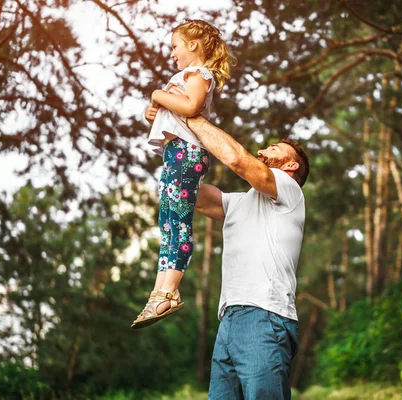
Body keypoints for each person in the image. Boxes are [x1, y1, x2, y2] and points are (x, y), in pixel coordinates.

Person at [166, 109, 310, 399]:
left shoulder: (288, 189)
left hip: (264, 316)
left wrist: (190, 115)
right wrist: (170, 134)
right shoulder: (238, 203)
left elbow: (236, 158)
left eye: (273, 149)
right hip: (229, 320)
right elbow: (182, 189)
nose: (262, 150)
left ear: (291, 165)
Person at [131, 19, 235, 329]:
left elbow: (191, 106)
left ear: (192, 45)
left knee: (177, 219)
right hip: (175, 153)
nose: (173, 53)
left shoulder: (198, 73)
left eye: (175, 46)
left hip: (188, 153)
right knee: (167, 220)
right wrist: (155, 110)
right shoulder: (185, 74)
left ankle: (170, 291)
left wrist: (157, 95)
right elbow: (176, 110)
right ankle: (160, 291)